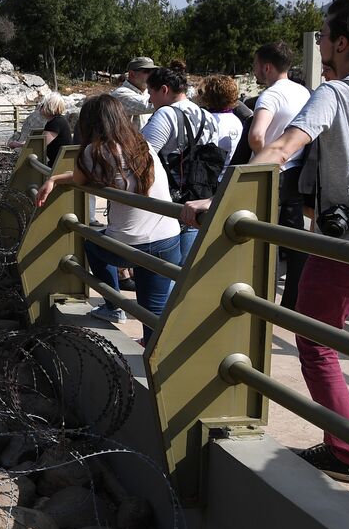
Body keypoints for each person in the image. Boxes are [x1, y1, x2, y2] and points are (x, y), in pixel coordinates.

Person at [180, 0, 349, 483]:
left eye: (325, 35)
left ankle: (347, 451)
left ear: (342, 41)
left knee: (313, 341)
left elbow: (281, 148)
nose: (320, 43)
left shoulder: (335, 93)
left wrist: (217, 198)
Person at [35, 95, 184, 342]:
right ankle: (155, 360)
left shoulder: (95, 151)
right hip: (168, 239)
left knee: (92, 243)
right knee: (152, 311)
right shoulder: (143, 145)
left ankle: (112, 306)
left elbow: (79, 179)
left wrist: (52, 179)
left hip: (128, 246)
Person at [248, 41, 313, 309]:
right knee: (293, 238)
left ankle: (261, 301)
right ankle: (291, 303)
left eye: (255, 66)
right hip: (298, 173)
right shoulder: (305, 93)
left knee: (260, 239)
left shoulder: (271, 95)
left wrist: (266, 156)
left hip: (272, 173)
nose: (254, 72)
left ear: (266, 67)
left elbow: (256, 135)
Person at [142, 66, 224, 259]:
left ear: (164, 90)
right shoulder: (208, 116)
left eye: (151, 92)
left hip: (169, 205)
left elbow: (142, 155)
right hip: (198, 198)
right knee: (187, 269)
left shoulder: (166, 114)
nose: (149, 99)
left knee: (166, 270)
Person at [193, 74, 246, 163]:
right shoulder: (237, 121)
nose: (199, 95)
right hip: (228, 173)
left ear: (209, 95)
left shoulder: (206, 121)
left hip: (210, 174)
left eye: (201, 92)